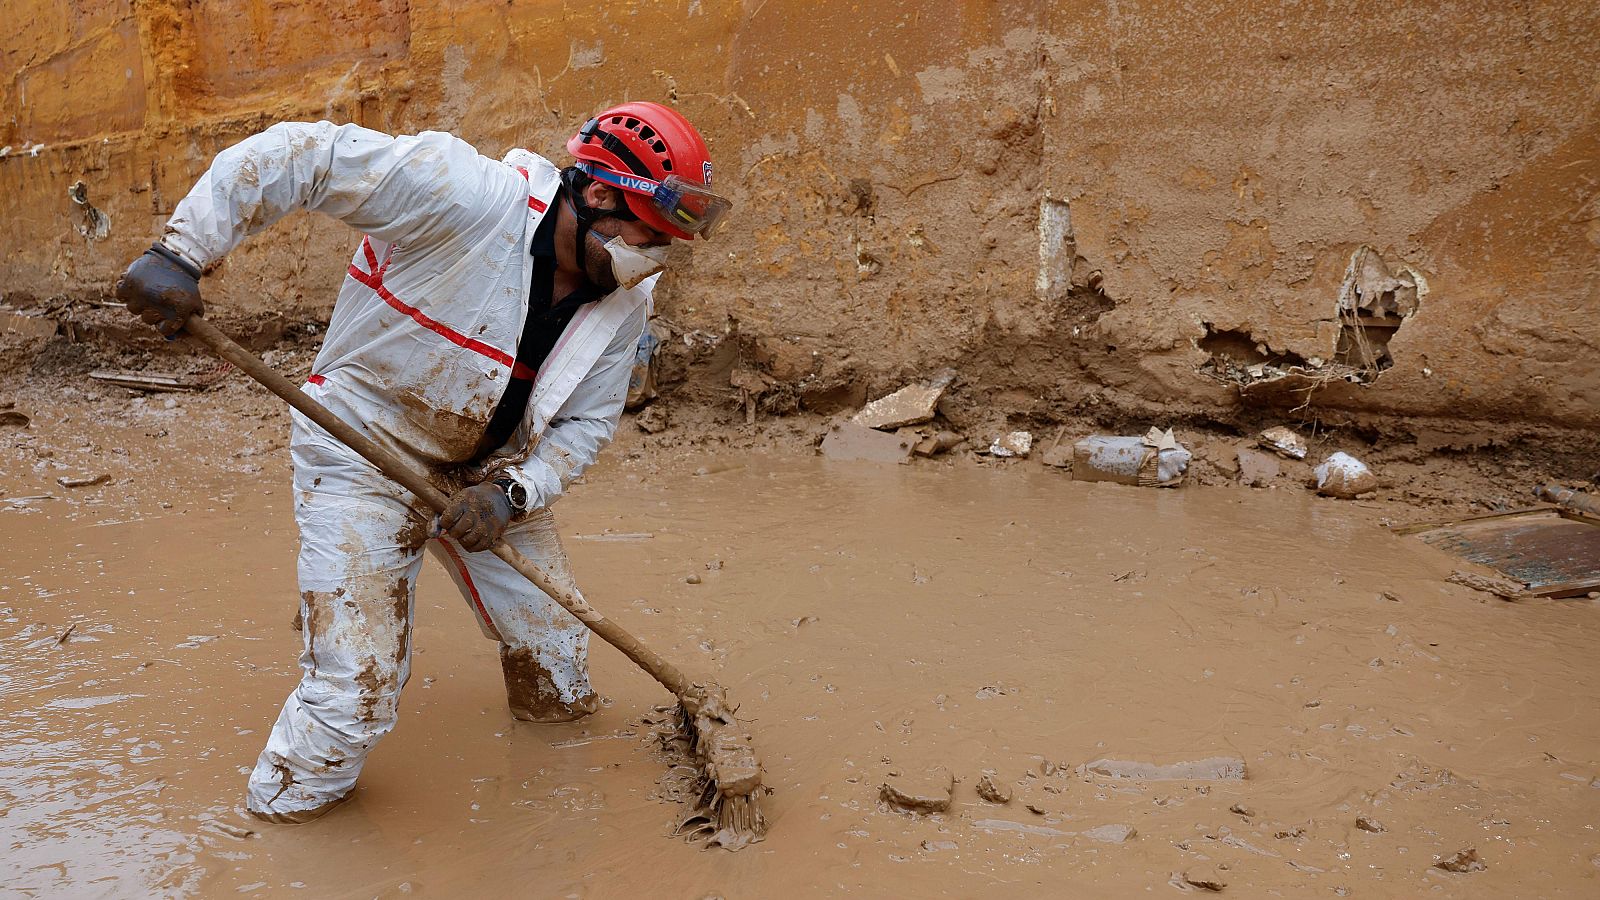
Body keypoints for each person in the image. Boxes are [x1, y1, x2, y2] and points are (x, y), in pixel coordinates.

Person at [114, 103, 732, 824]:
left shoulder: (624, 299)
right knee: (355, 696)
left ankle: (552, 801)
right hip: (363, 450)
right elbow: (300, 155)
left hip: (489, 477)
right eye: (648, 236)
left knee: (558, 661)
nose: (653, 259)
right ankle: (281, 826)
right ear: (598, 194)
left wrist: (513, 494)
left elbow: (587, 424)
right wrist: (182, 251)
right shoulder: (466, 194)